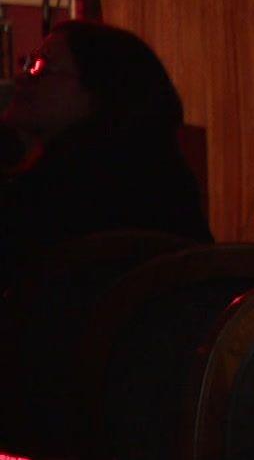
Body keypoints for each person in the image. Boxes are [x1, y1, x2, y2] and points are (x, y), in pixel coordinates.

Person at [0, 21, 211, 288]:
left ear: (101, 90)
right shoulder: (167, 178)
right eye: (27, 63)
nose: (22, 77)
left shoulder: (64, 186)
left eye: (41, 67)